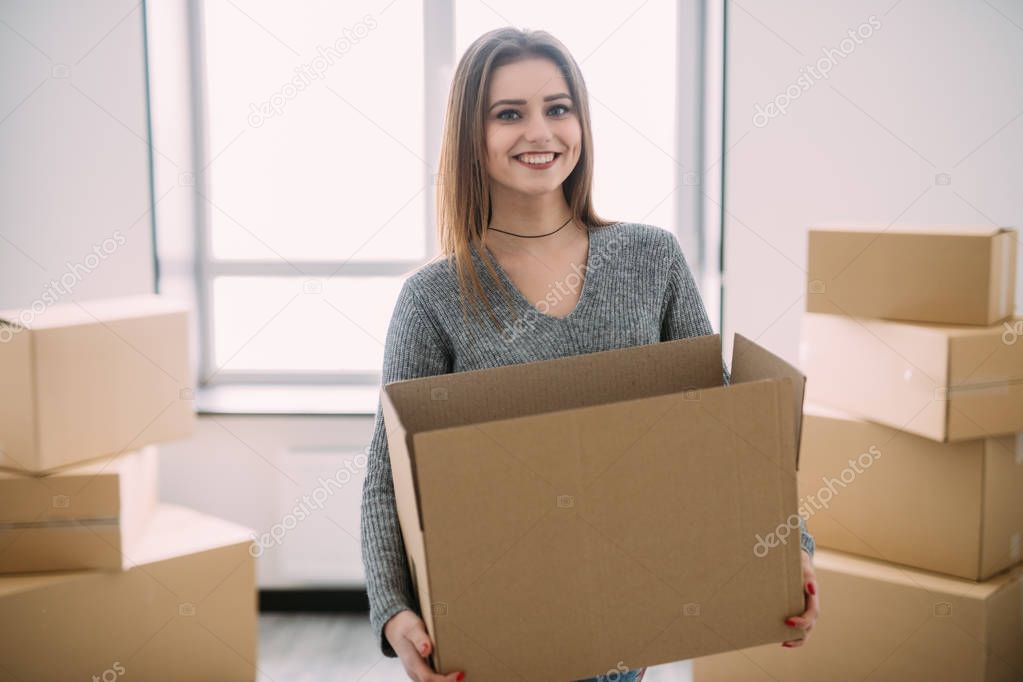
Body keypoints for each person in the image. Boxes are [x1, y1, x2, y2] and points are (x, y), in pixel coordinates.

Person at [359, 26, 819, 682]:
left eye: (557, 107)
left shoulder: (649, 259)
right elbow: (386, 475)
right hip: (494, 647)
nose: (539, 132)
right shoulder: (433, 297)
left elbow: (728, 433)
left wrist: (790, 551)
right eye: (508, 114)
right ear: (470, 136)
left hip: (627, 639)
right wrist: (392, 610)